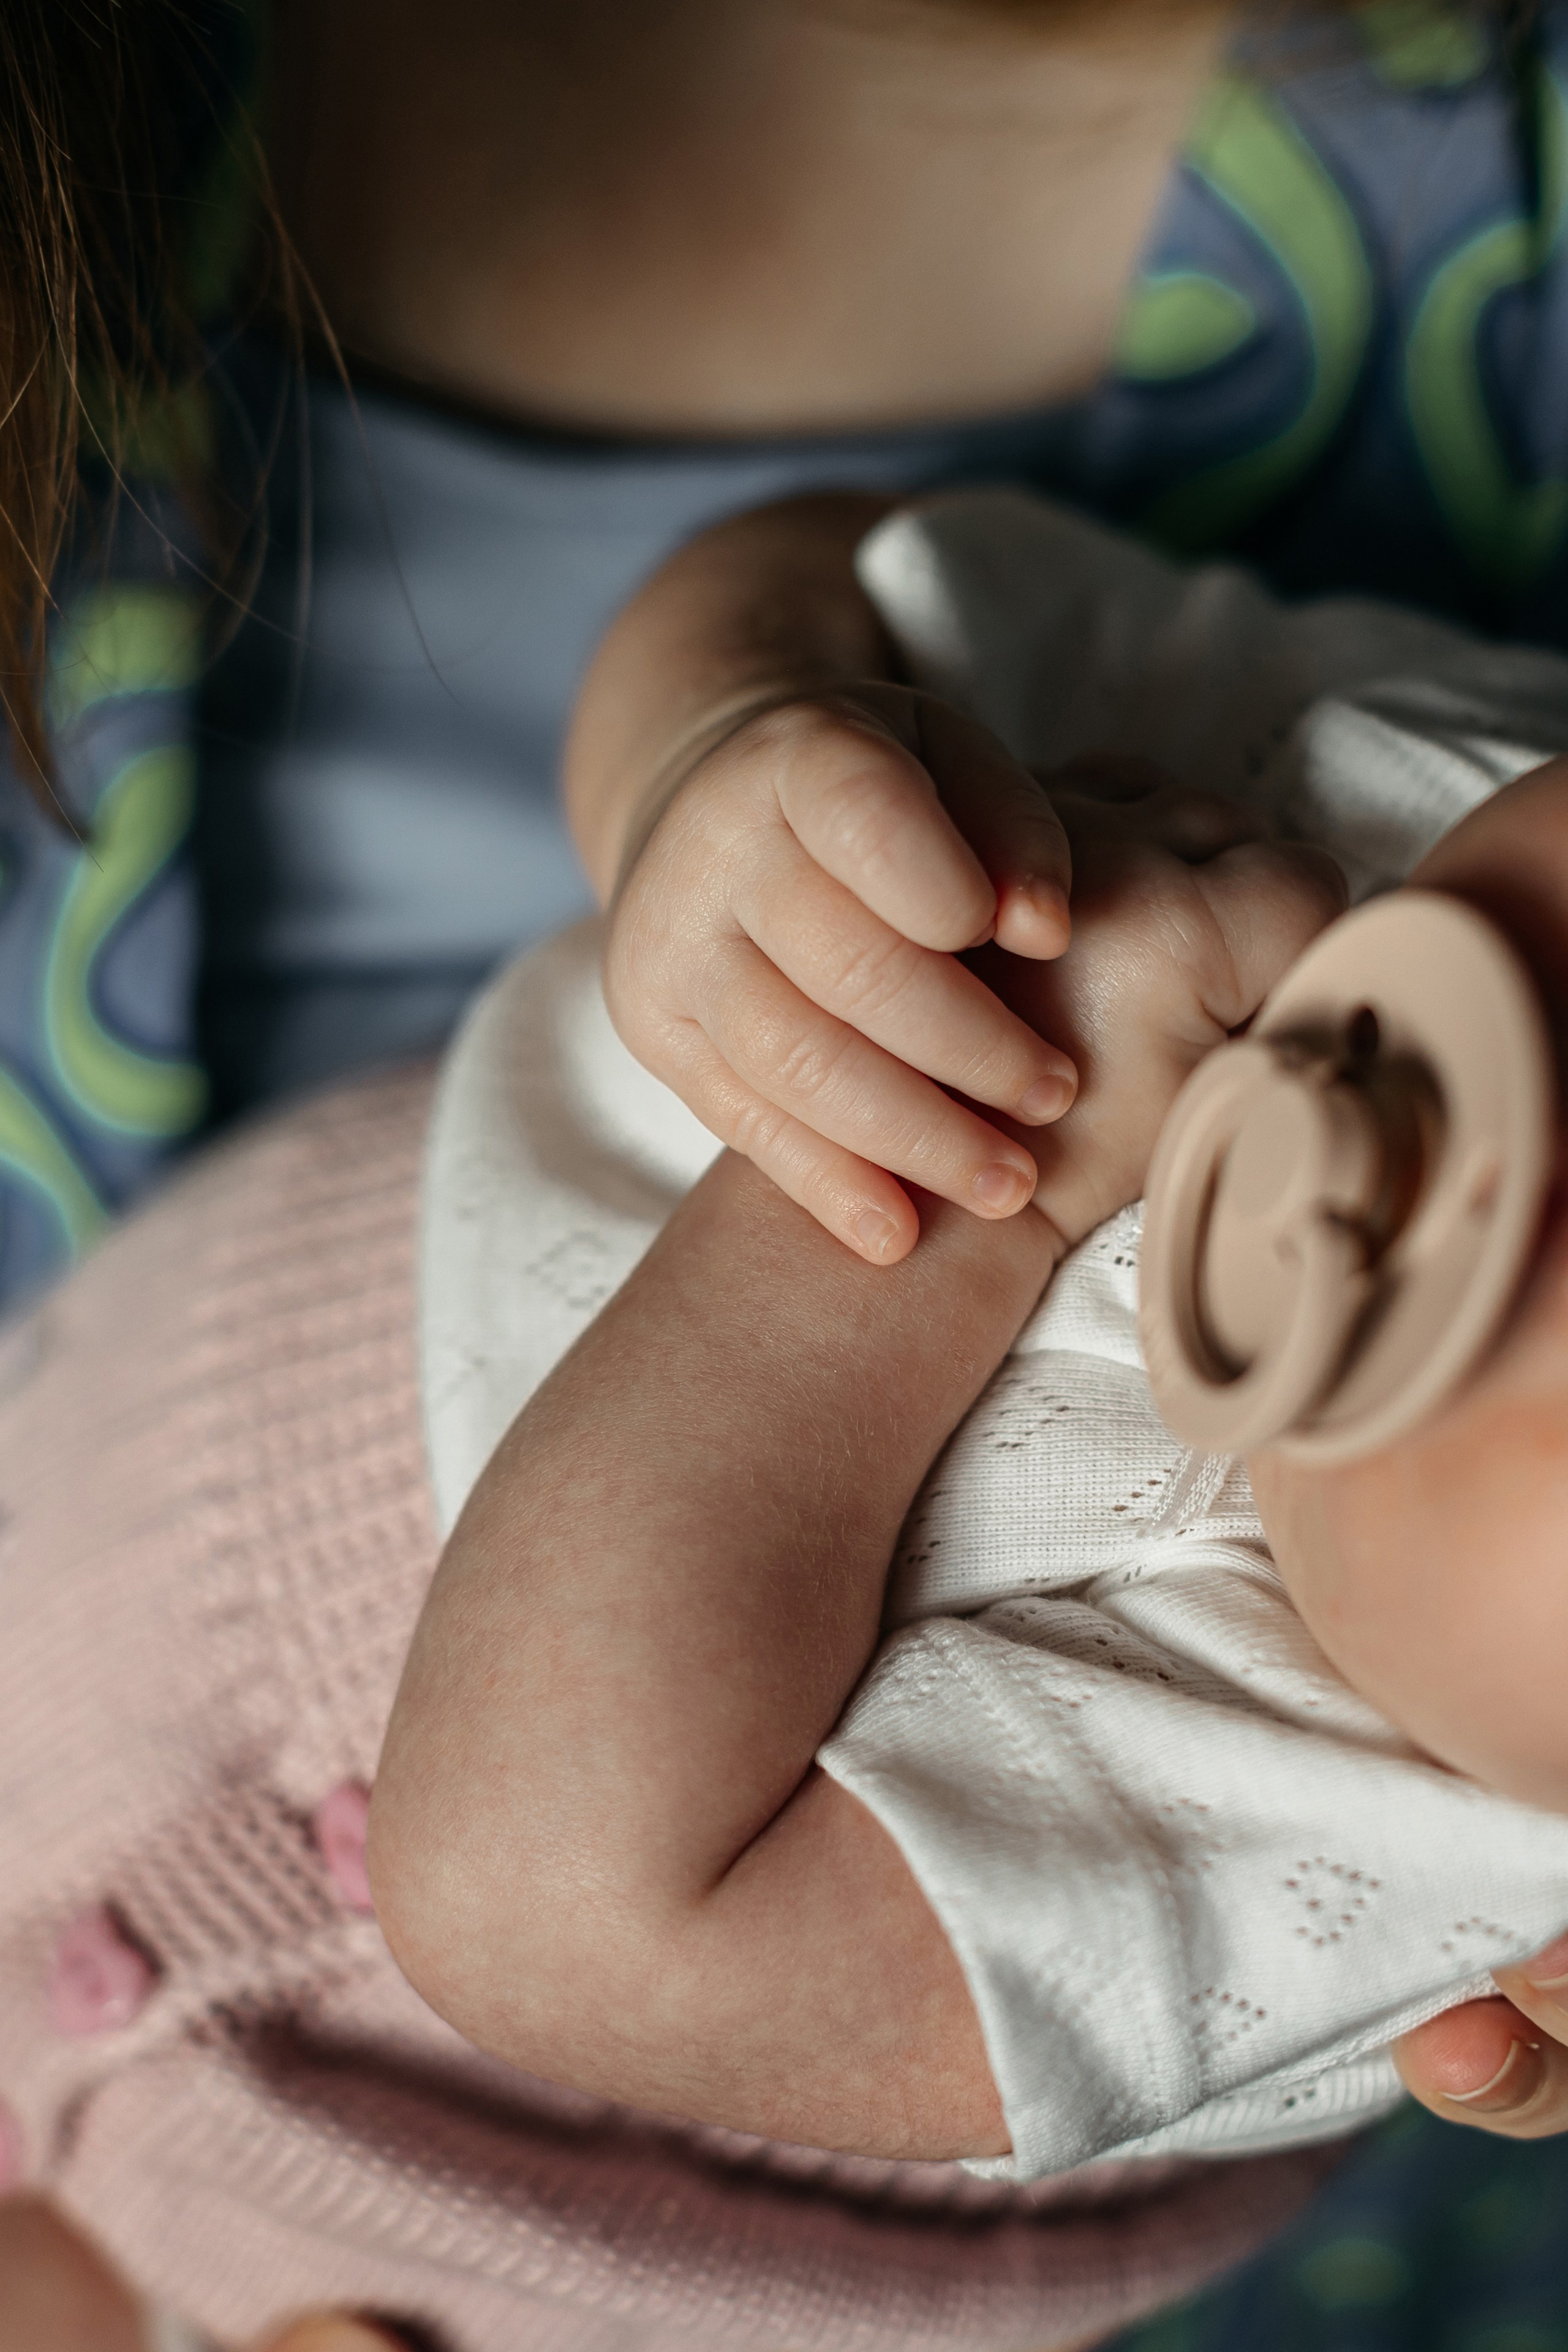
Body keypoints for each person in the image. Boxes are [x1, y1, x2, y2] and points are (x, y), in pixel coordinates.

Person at [7, 0, 1568, 2342]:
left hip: (323, 2200)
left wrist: (1008, 1171)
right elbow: (855, 579)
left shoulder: (1392, 1829)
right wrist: (730, 754)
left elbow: (555, 1901)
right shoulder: (1418, 783)